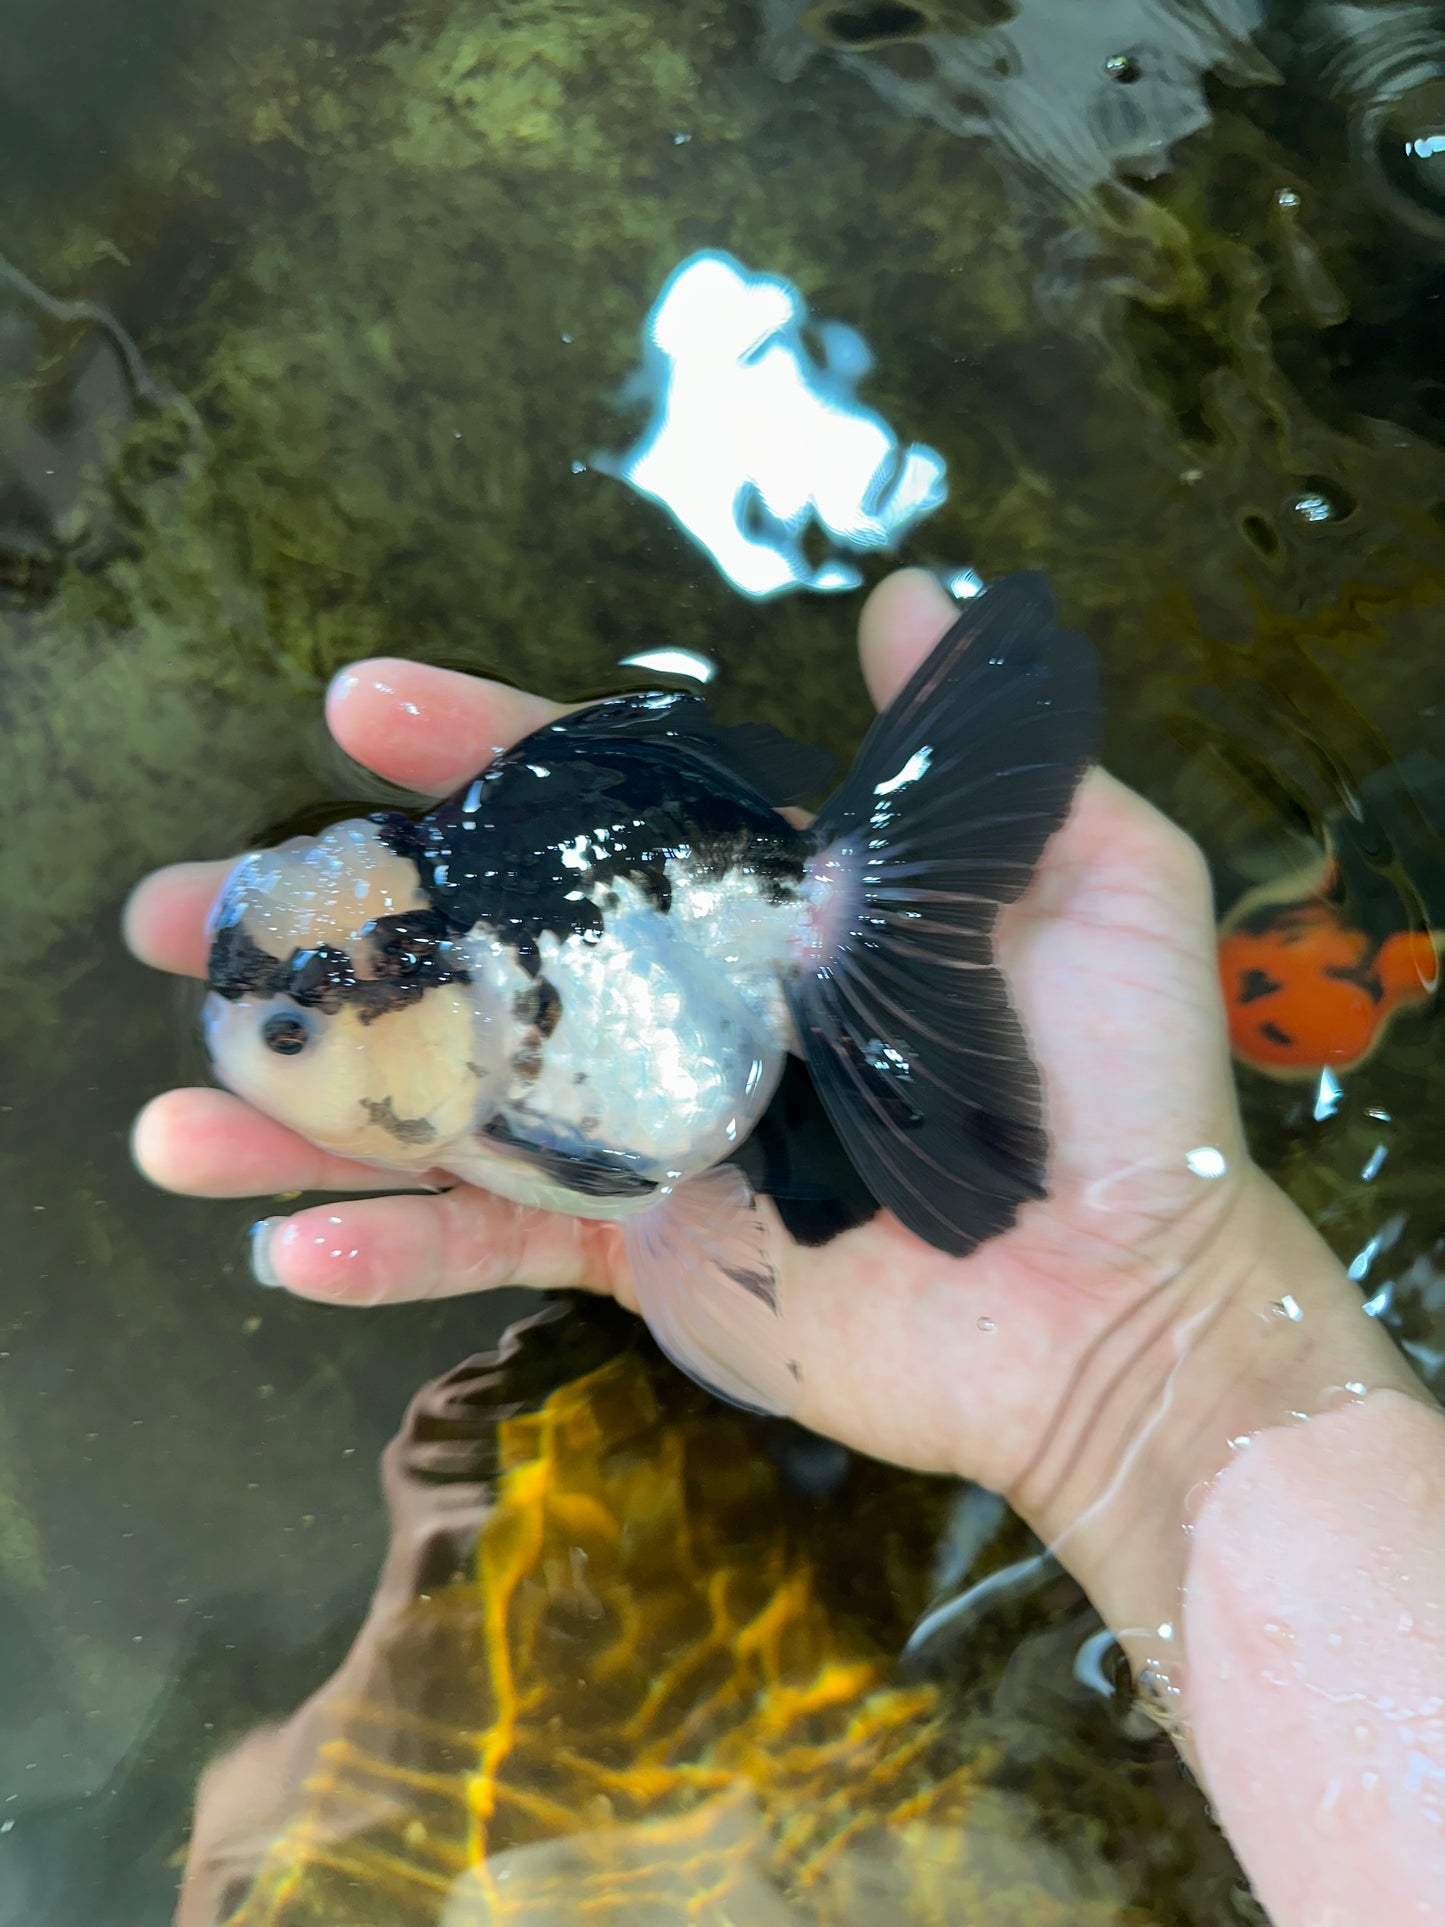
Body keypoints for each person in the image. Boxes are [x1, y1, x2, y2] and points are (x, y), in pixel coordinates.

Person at [124, 570, 1445, 1923]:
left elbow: (619, 1149)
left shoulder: (515, 1037)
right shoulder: (474, 1045)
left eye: (286, 1032)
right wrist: (1172, 1365)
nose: (252, 1054)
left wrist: (1159, 1355)